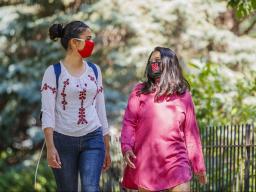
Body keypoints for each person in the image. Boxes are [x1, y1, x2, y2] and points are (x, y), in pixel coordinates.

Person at [120, 47, 207, 192]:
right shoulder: (139, 91)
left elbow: (191, 132)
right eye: (151, 61)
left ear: (169, 64)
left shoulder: (183, 95)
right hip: (147, 163)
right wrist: (126, 147)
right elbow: (129, 123)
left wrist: (199, 165)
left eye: (158, 61)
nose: (153, 64)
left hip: (177, 162)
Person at [40, 21, 111, 192]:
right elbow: (47, 112)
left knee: (90, 188)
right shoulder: (53, 72)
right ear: (74, 42)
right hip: (62, 141)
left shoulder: (95, 71)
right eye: (88, 38)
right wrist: (50, 148)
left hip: (93, 138)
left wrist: (107, 146)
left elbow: (100, 108)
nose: (91, 43)